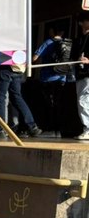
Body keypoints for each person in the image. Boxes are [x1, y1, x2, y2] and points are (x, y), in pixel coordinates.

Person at [32, 29, 69, 136]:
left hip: (48, 78)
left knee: (48, 105)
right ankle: (58, 131)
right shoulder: (67, 44)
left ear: (52, 31)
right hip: (62, 78)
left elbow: (35, 58)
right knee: (58, 104)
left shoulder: (48, 42)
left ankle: (50, 129)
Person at [72, 11, 89, 140]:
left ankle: (88, 128)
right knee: (82, 100)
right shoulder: (78, 40)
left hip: (87, 74)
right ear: (81, 23)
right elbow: (73, 57)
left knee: (83, 100)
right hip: (80, 74)